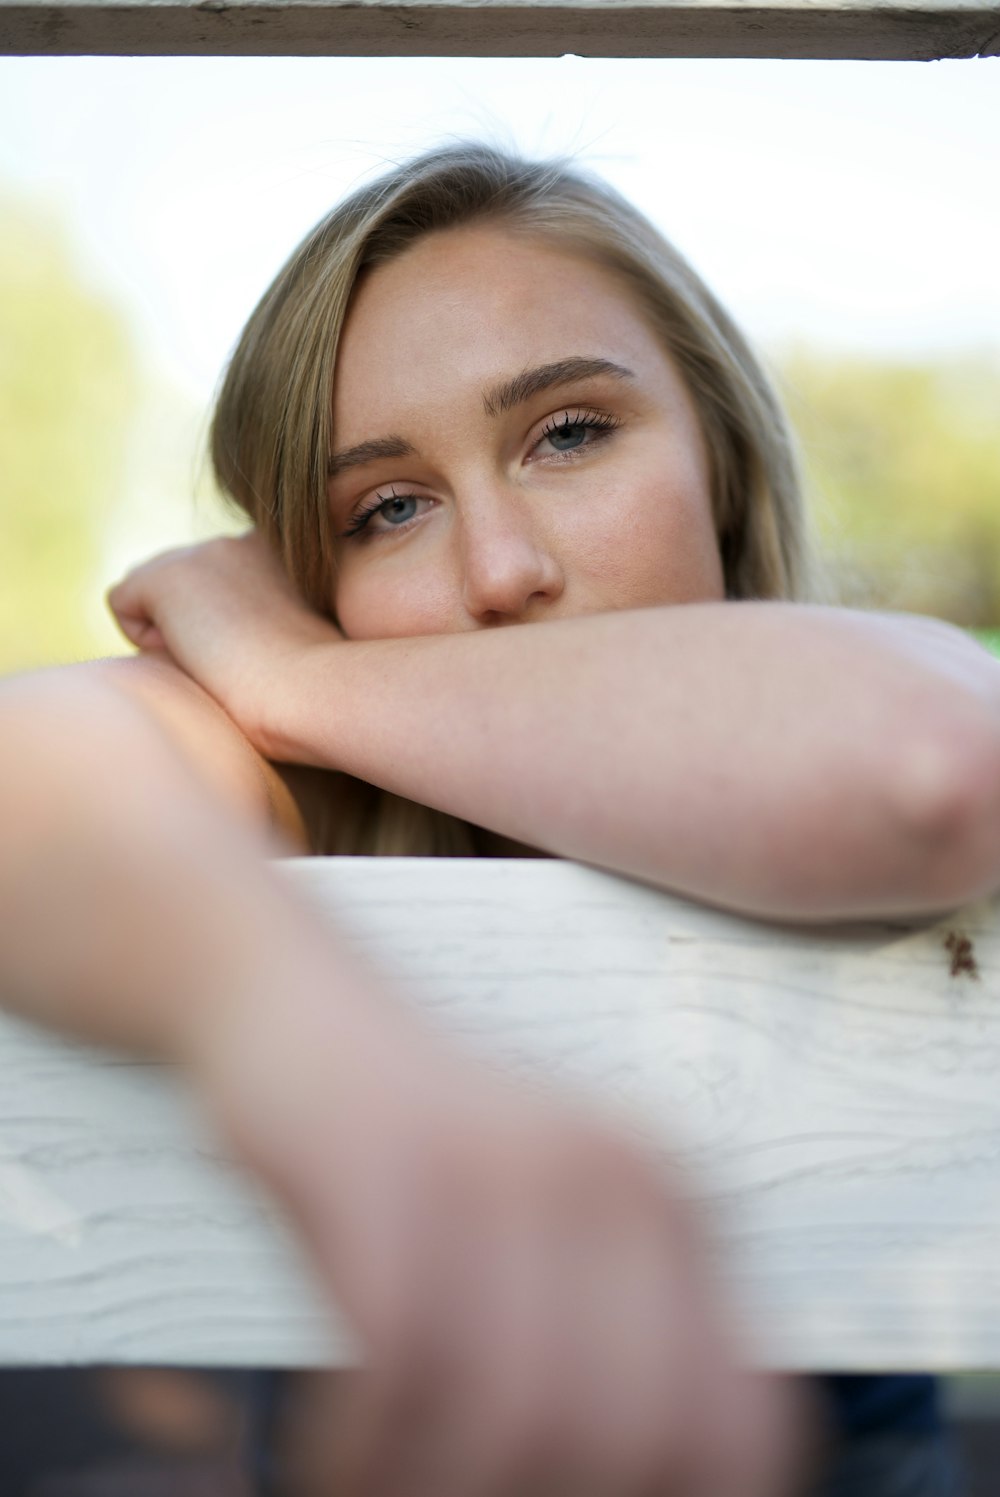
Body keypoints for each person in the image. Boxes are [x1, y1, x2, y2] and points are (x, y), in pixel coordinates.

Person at [2, 141, 997, 1497]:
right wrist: (300, 1036)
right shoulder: (306, 791)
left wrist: (304, 675)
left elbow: (935, 762)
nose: (502, 571)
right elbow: (32, 771)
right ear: (314, 572)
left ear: (723, 465)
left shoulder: (313, 685)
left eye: (570, 434)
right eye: (389, 509)